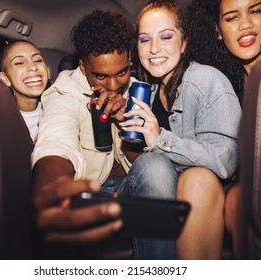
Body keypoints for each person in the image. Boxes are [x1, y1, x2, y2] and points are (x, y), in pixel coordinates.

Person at [31, 10, 181, 260]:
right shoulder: (65, 92)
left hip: (130, 190)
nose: (113, 85)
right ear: (82, 66)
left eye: (121, 72)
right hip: (92, 193)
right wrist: (52, 191)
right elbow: (56, 141)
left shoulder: (139, 91)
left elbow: (143, 166)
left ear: (130, 60)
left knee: (156, 164)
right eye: (100, 75)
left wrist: (129, 124)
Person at [119, 0, 242, 259]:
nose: (154, 49)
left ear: (184, 43)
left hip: (199, 195)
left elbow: (225, 160)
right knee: (154, 166)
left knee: (197, 179)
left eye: (165, 36)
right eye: (144, 40)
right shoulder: (145, 91)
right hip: (155, 194)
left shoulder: (206, 80)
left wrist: (161, 139)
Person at [186, 0, 261, 259]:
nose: (245, 24)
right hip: (240, 189)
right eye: (231, 17)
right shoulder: (218, 90)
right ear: (217, 30)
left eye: (255, 11)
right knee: (239, 201)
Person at [0, 40, 50, 144]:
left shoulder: (60, 107)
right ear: (5, 78)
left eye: (38, 60)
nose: (33, 67)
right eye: (19, 63)